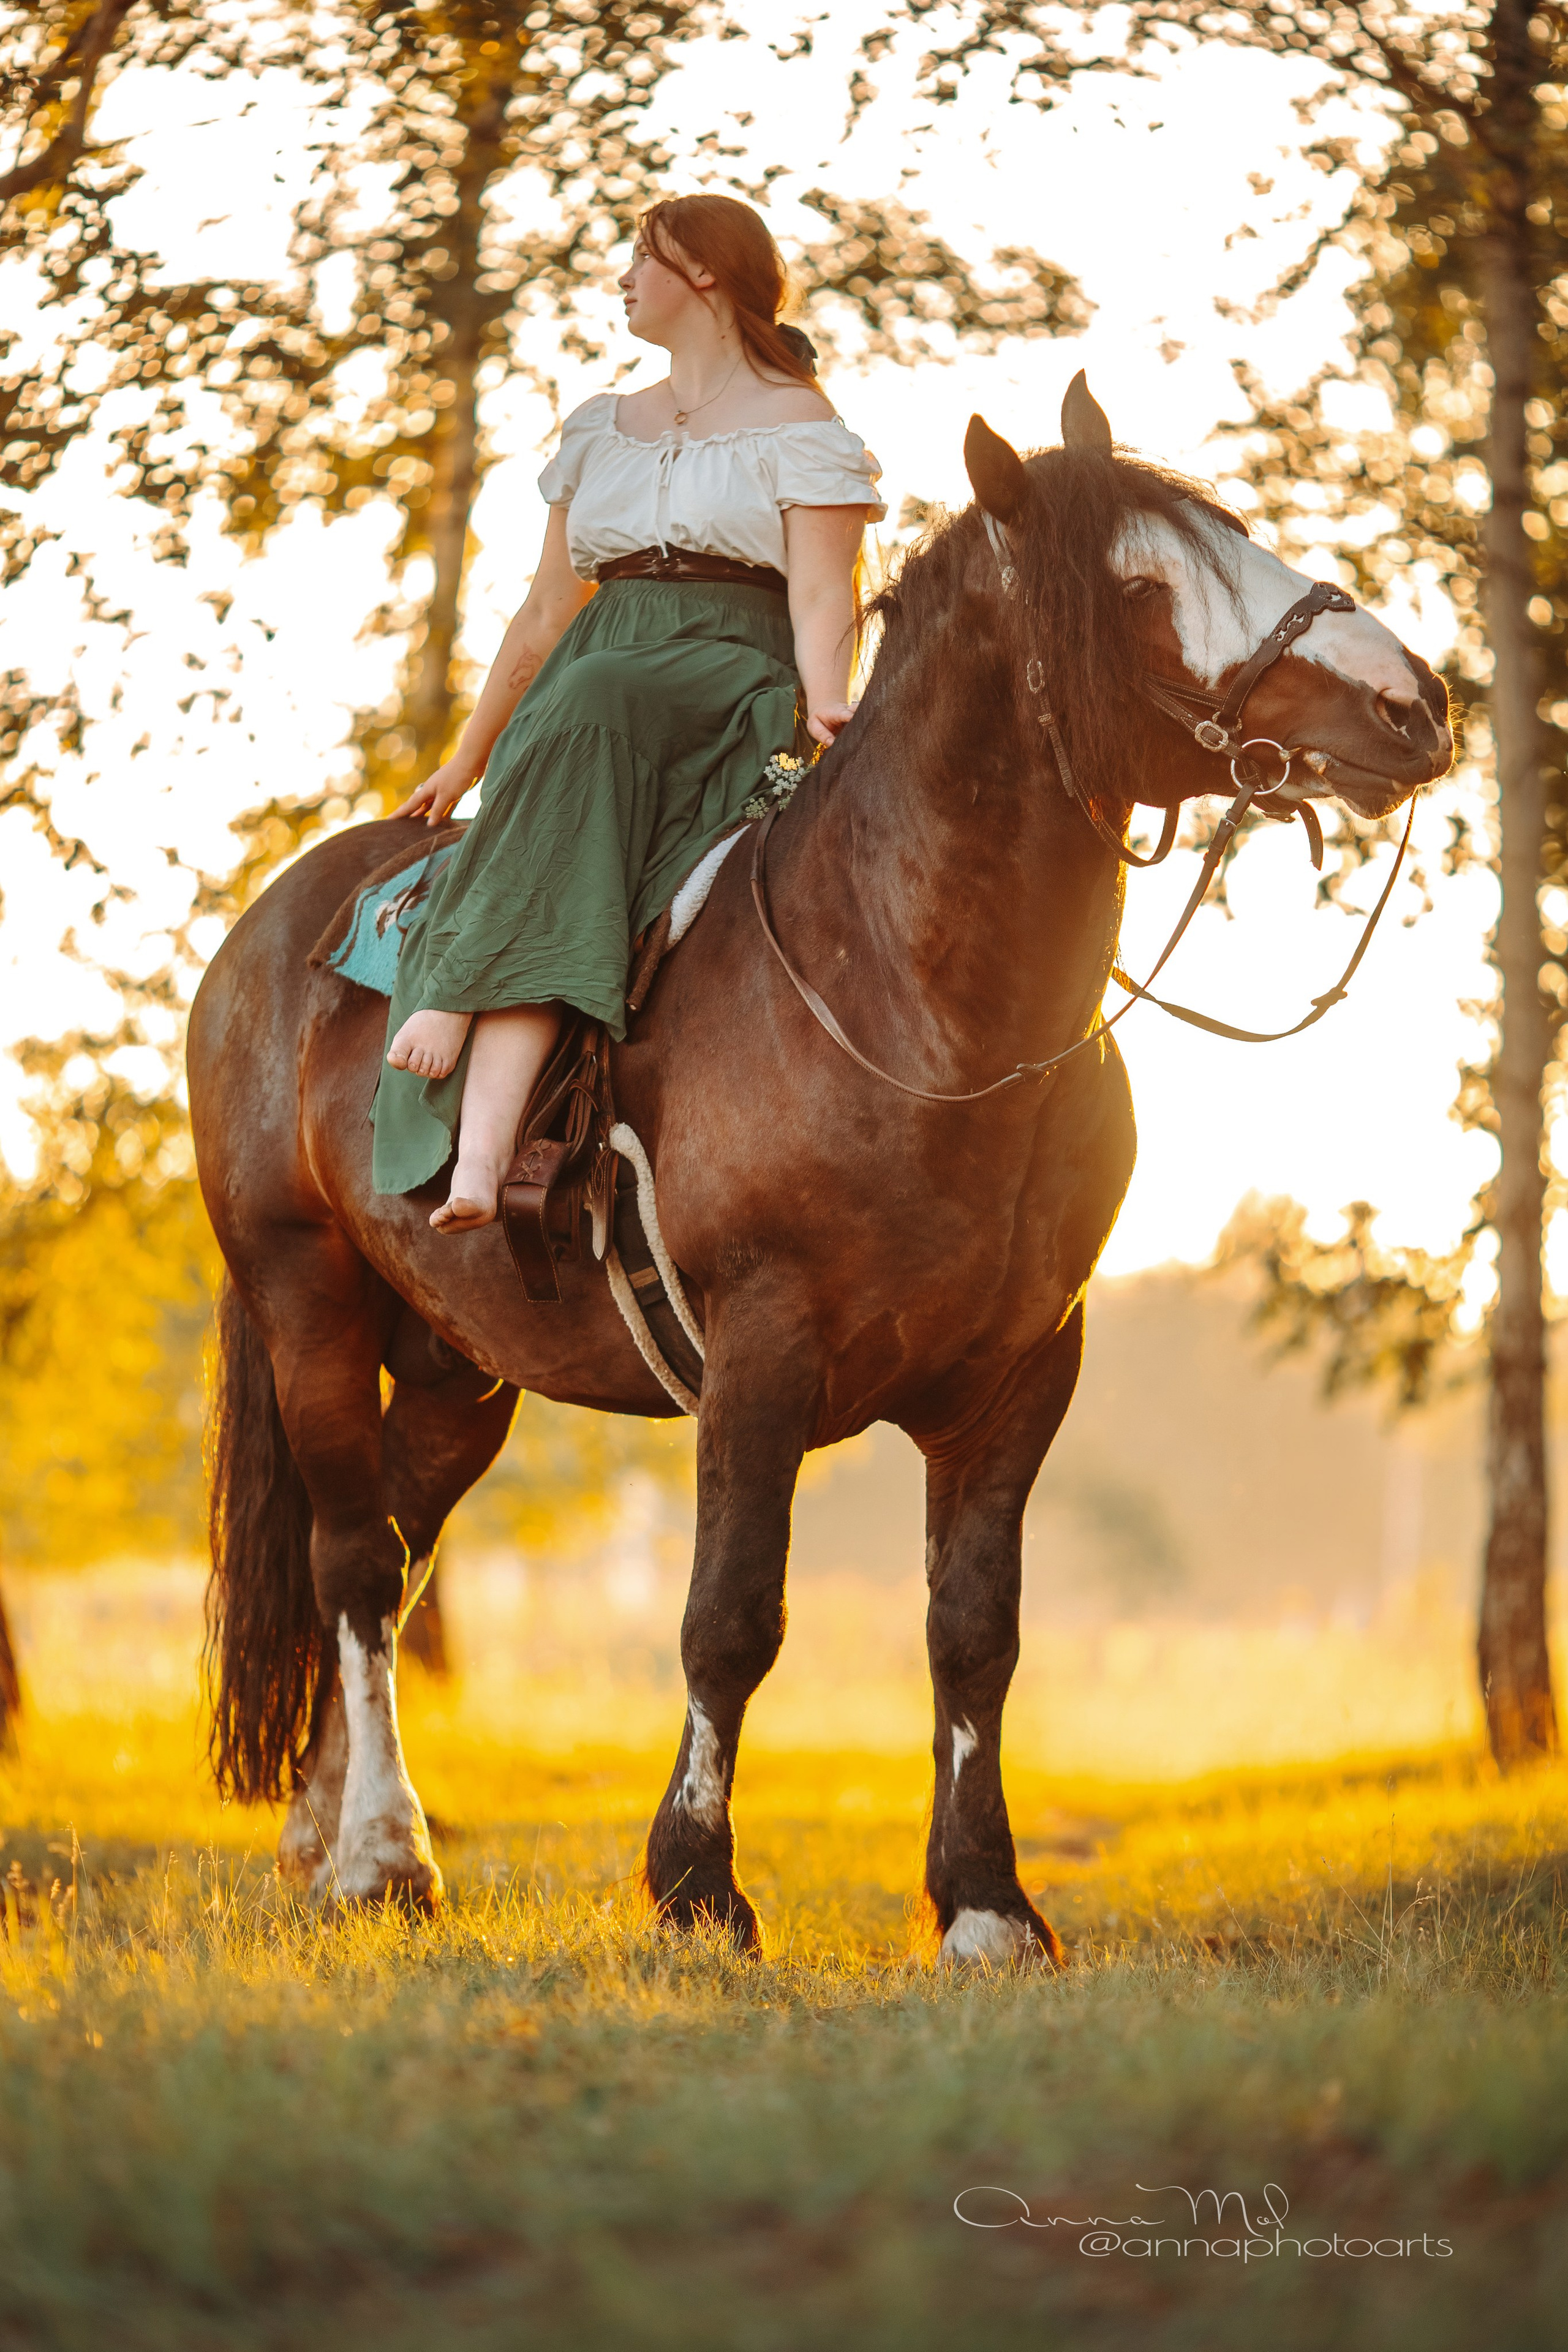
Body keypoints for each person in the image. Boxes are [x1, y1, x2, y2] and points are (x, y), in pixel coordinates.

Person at [371, 192, 884, 1230]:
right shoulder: (602, 427)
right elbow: (545, 614)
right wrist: (468, 758)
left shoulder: (805, 426)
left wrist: (828, 711)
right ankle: (477, 1167)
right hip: (595, 682)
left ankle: (458, 986)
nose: (621, 281)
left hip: (729, 676)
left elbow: (824, 593)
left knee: (595, 698)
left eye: (640, 261)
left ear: (703, 275)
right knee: (583, 717)